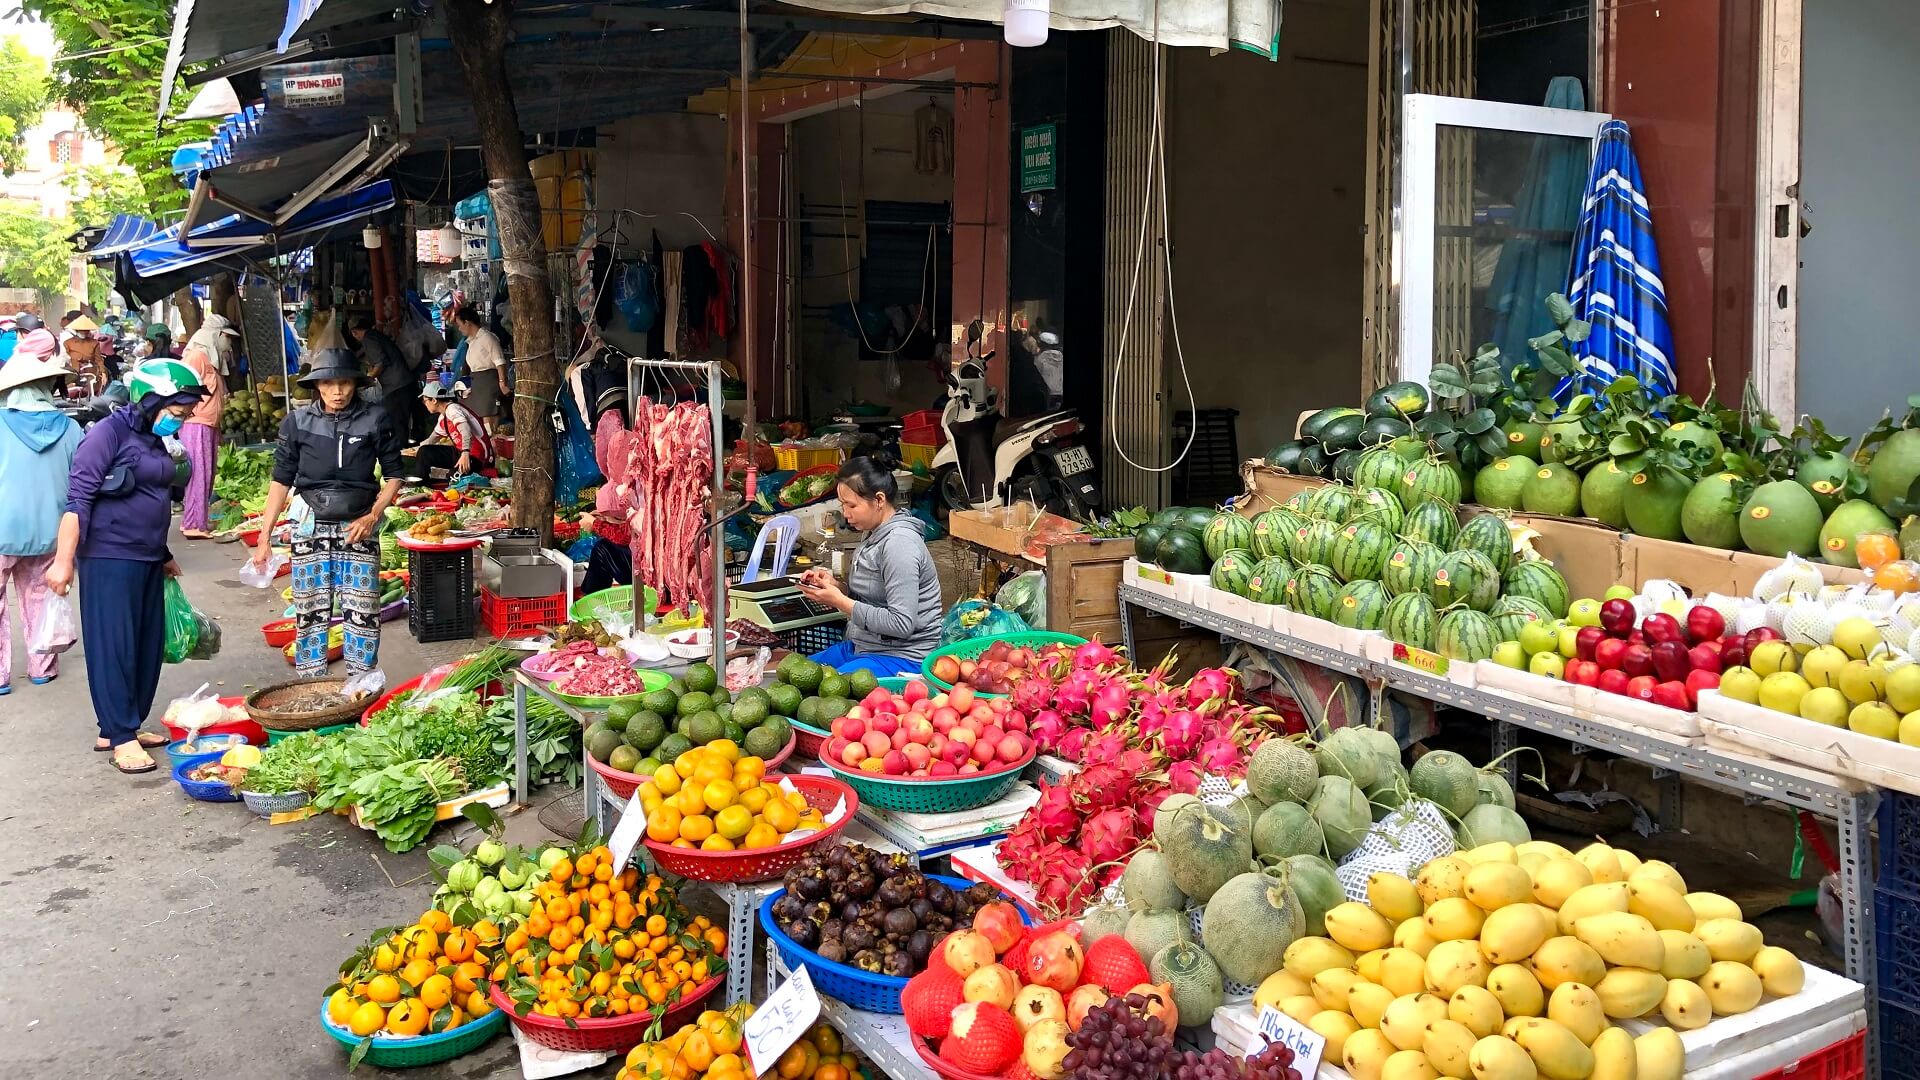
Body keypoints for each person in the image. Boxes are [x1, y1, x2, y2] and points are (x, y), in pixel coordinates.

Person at [45, 359, 209, 773]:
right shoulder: (106, 435)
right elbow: (78, 500)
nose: (182, 419)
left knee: (145, 644)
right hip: (108, 557)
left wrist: (165, 554)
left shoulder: (155, 439)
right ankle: (120, 737)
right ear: (151, 400)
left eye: (186, 413)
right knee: (114, 646)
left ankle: (123, 725)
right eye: (178, 411)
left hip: (148, 556)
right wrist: (63, 562)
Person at [250, 348, 404, 678]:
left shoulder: (375, 418)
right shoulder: (297, 423)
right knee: (309, 610)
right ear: (317, 385)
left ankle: (361, 686)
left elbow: (394, 475)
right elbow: (280, 480)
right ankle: (311, 685)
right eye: (329, 383)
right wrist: (264, 538)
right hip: (309, 525)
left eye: (345, 383)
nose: (337, 391)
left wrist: (373, 515)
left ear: (356, 384)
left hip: (358, 523)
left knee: (362, 610)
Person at [798, 456, 943, 677]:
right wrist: (836, 587)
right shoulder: (873, 531)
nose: (845, 514)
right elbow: (872, 596)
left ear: (879, 500)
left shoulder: (899, 544)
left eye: (852, 505)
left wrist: (841, 602)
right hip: (866, 645)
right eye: (842, 504)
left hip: (903, 656)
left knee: (821, 691)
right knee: (796, 672)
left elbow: (901, 623)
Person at [0, 350, 82, 696]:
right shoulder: (72, 428)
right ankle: (42, 667)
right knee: (39, 596)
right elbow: (82, 482)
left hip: (3, 528)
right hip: (53, 529)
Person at [175, 315, 236, 538]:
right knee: (198, 474)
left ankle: (198, 521)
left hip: (208, 424)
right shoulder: (197, 357)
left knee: (206, 474)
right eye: (227, 338)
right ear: (217, 335)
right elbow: (182, 388)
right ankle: (193, 524)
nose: (229, 344)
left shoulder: (210, 358)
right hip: (196, 423)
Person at [351, 315, 420, 442]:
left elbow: (379, 364)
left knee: (397, 422)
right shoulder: (375, 336)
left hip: (397, 386)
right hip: (403, 383)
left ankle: (401, 454)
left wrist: (366, 381)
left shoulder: (369, 339)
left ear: (354, 332)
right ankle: (406, 448)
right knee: (403, 422)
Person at [413, 382, 492, 477]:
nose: (424, 404)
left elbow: (466, 431)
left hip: (475, 456)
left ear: (434, 400)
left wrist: (465, 453)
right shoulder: (443, 417)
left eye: (424, 400)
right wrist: (415, 449)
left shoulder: (453, 409)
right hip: (461, 452)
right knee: (424, 451)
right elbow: (432, 439)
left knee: (453, 478)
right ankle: (420, 483)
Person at [450, 304, 507, 432]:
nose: (459, 329)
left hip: (488, 383)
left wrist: (502, 383)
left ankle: (491, 445)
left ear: (467, 322)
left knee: (488, 418)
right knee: (476, 418)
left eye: (460, 324)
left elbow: (499, 362)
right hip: (476, 383)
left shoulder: (488, 338)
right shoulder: (471, 341)